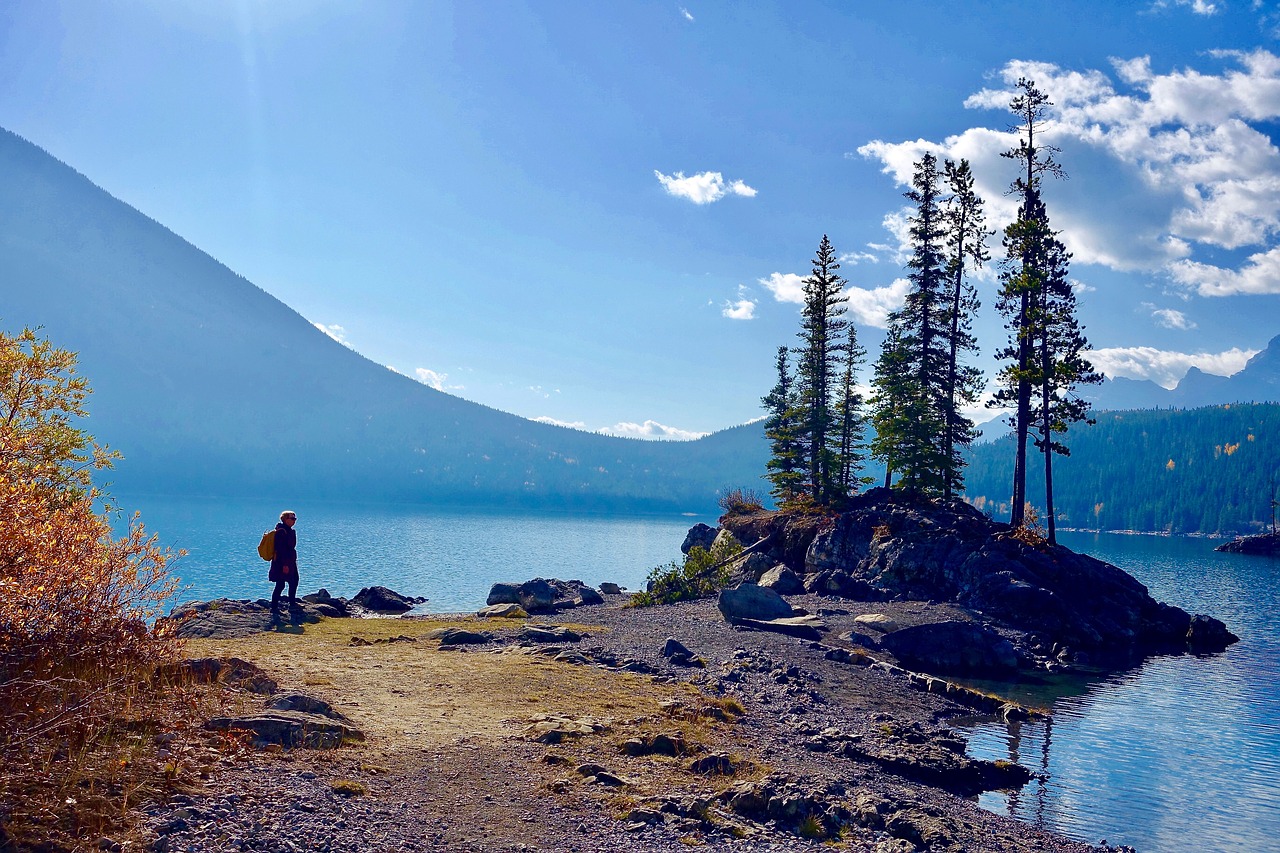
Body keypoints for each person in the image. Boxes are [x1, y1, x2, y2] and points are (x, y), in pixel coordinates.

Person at [269, 510, 299, 614]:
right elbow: (281, 549)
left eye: (295, 519)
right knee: (281, 584)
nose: (294, 521)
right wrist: (285, 565)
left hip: (290, 561)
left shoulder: (289, 531)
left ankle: (290, 604)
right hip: (282, 563)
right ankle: (276, 606)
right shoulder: (281, 532)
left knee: (293, 581)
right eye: (292, 518)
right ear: (285, 519)